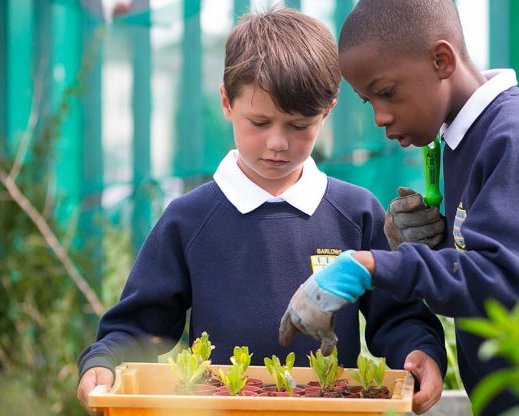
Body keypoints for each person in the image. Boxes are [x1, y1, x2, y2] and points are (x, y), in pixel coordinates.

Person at [76, 8, 446, 415]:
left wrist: (420, 351)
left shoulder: (354, 212)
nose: (277, 143)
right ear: (226, 102)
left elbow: (398, 316)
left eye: (298, 125)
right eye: (260, 121)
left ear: (328, 111)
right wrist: (104, 363)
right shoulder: (190, 220)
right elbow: (140, 325)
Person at [278, 0, 519, 413]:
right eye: (367, 101)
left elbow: (502, 283)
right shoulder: (463, 135)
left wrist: (371, 266)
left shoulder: (513, 137)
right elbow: (483, 264)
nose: (378, 117)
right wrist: (436, 242)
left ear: (441, 60)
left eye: (387, 93)